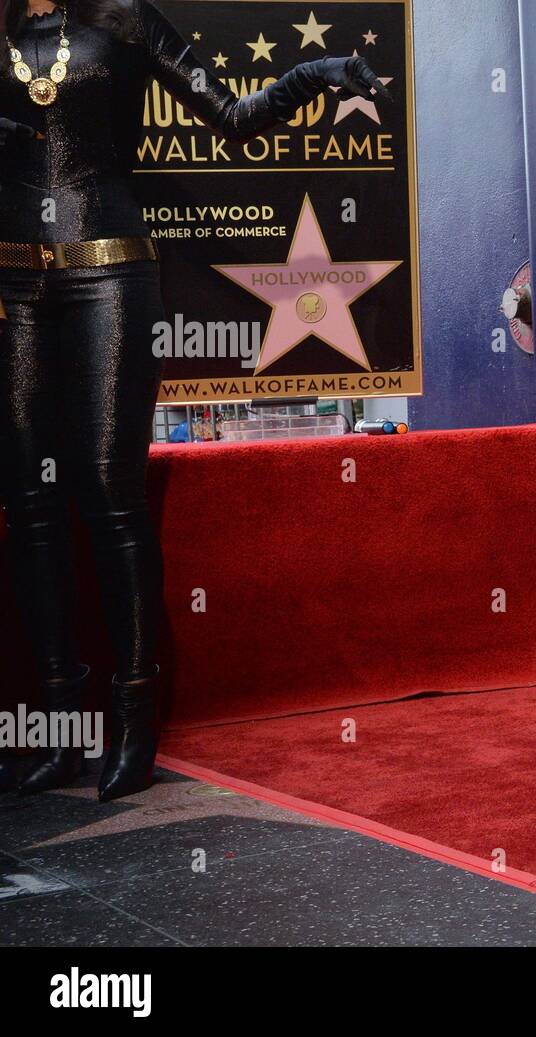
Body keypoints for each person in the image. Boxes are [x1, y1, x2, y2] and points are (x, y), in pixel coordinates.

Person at [0, 0, 391, 800]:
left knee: (111, 495)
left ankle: (135, 719)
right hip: (12, 280)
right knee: (30, 502)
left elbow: (236, 118)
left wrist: (320, 75)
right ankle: (59, 727)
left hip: (109, 272)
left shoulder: (123, 16)